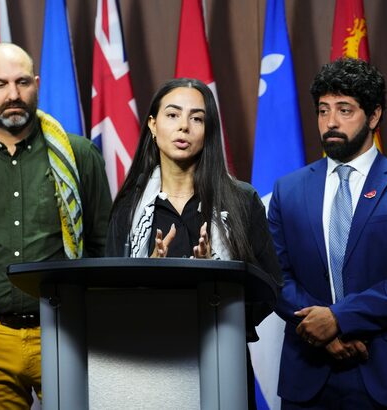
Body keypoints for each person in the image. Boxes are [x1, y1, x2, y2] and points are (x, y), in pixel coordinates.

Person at [0, 43, 111, 409]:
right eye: (0, 84)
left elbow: (103, 242)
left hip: (65, 330)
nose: (13, 94)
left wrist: (84, 316)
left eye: (22, 82)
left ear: (36, 85)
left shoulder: (79, 155)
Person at [269, 58, 387, 409]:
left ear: (374, 116)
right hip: (308, 373)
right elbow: (275, 276)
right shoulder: (288, 190)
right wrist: (322, 332)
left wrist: (337, 320)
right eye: (323, 110)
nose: (330, 122)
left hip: (385, 372)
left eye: (344, 110)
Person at [106, 77, 282, 408]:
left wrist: (217, 282)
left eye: (196, 118)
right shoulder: (129, 207)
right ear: (153, 125)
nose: (184, 127)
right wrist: (147, 273)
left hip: (223, 361)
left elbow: (270, 286)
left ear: (208, 130)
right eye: (173, 115)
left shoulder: (241, 200)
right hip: (150, 365)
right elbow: (109, 298)